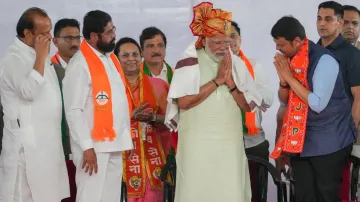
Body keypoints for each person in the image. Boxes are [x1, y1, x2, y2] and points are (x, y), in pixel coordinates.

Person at [165, 2, 264, 202]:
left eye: (226, 42)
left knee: (229, 191)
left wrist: (231, 85)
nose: (222, 48)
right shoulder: (189, 63)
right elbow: (183, 102)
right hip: (197, 144)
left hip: (229, 143)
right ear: (204, 40)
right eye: (217, 42)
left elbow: (247, 106)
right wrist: (217, 81)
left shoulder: (235, 63)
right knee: (196, 191)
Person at [270, 15, 356, 202]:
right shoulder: (290, 60)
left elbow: (317, 104)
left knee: (325, 194)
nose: (278, 48)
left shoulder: (324, 60)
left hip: (330, 140)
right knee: (304, 195)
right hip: (301, 140)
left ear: (297, 41)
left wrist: (290, 78)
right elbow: (284, 101)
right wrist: (284, 83)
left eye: (281, 44)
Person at [62, 10, 133, 202]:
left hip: (114, 143)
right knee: (90, 197)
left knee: (110, 197)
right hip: (93, 148)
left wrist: (125, 136)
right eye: (109, 32)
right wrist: (86, 147)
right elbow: (74, 110)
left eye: (113, 30)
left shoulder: (111, 59)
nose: (114, 36)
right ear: (94, 36)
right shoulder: (80, 64)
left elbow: (118, 101)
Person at [0, 7, 69, 202]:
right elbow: (29, 92)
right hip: (26, 148)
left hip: (47, 144)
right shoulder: (14, 58)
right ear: (27, 33)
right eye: (44, 33)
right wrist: (40, 57)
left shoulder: (39, 54)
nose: (49, 37)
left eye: (50, 31)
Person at [114, 37, 169, 202]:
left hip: (152, 158)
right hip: (120, 160)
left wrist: (152, 117)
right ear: (116, 59)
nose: (131, 59)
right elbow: (102, 120)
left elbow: (172, 120)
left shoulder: (158, 85)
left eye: (135, 54)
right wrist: (130, 117)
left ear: (141, 57)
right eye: (125, 55)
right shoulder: (110, 86)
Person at [317, 2, 360, 200]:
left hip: (339, 137)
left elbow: (358, 96)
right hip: (311, 135)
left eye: (355, 23)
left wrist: (347, 134)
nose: (349, 27)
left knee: (337, 191)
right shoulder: (310, 51)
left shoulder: (352, 56)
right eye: (319, 18)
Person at [229, 20, 273, 201]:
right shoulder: (212, 70)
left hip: (253, 142)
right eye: (224, 38)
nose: (229, 41)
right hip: (225, 143)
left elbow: (268, 98)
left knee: (255, 194)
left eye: (233, 36)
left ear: (240, 39)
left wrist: (246, 90)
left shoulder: (253, 65)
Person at [51, 18, 81, 202]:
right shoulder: (49, 71)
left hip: (85, 151)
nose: (74, 43)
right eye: (68, 38)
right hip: (58, 151)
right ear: (55, 41)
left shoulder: (87, 69)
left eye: (77, 38)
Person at [139, 26, 173, 156]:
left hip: (173, 138)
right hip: (144, 139)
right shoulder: (134, 78)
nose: (156, 50)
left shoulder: (177, 76)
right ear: (141, 51)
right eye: (150, 46)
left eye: (160, 45)